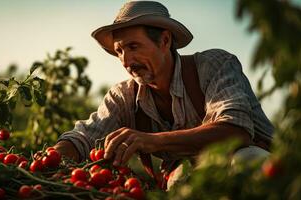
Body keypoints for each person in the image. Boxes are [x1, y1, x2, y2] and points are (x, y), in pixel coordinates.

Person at [54, 1, 274, 189]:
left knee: (247, 161)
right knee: (178, 181)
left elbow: (236, 130)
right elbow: (83, 138)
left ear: (165, 41)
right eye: (119, 51)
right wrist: (49, 160)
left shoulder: (213, 66)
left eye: (133, 46)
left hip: (265, 168)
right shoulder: (124, 96)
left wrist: (153, 141)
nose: (126, 61)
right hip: (195, 179)